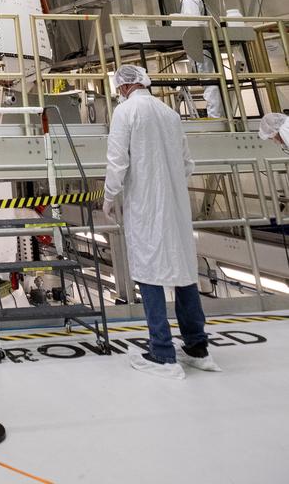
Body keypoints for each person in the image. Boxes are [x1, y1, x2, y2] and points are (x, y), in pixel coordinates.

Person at [103, 63, 219, 378]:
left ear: (124, 87)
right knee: (184, 274)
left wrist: (110, 195)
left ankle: (163, 352)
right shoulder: (169, 114)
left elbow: (118, 160)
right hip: (176, 207)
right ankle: (198, 349)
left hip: (145, 205)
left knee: (149, 273)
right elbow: (186, 163)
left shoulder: (125, 113)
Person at [171, 0, 223, 119]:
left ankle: (215, 116)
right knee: (207, 80)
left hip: (199, 45)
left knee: (209, 81)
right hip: (197, 44)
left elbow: (192, 21)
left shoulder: (190, 0)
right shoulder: (190, 0)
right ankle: (215, 114)